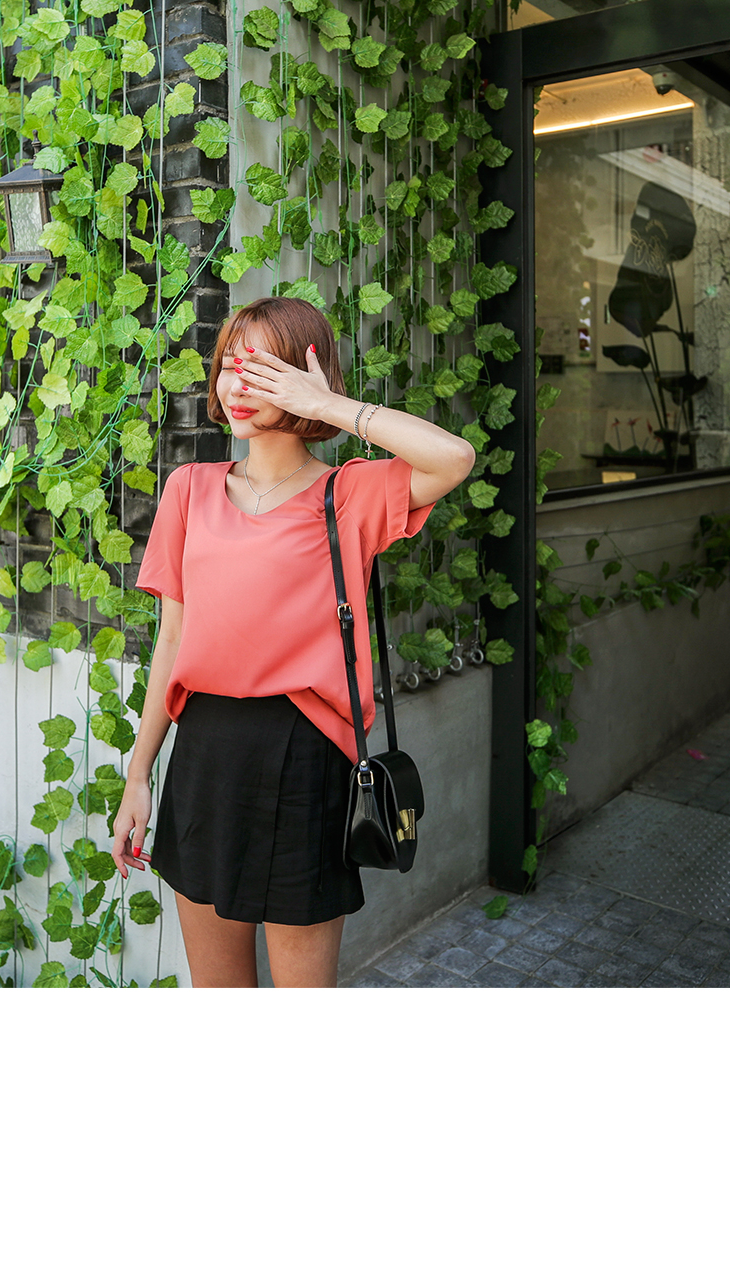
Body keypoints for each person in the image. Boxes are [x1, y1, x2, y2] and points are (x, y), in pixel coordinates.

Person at [110, 296, 476, 987]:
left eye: (262, 369)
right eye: (230, 366)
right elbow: (172, 640)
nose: (237, 384)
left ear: (303, 376)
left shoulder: (348, 495)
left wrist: (330, 405)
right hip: (205, 754)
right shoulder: (189, 489)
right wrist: (138, 775)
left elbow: (455, 458)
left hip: (306, 759)